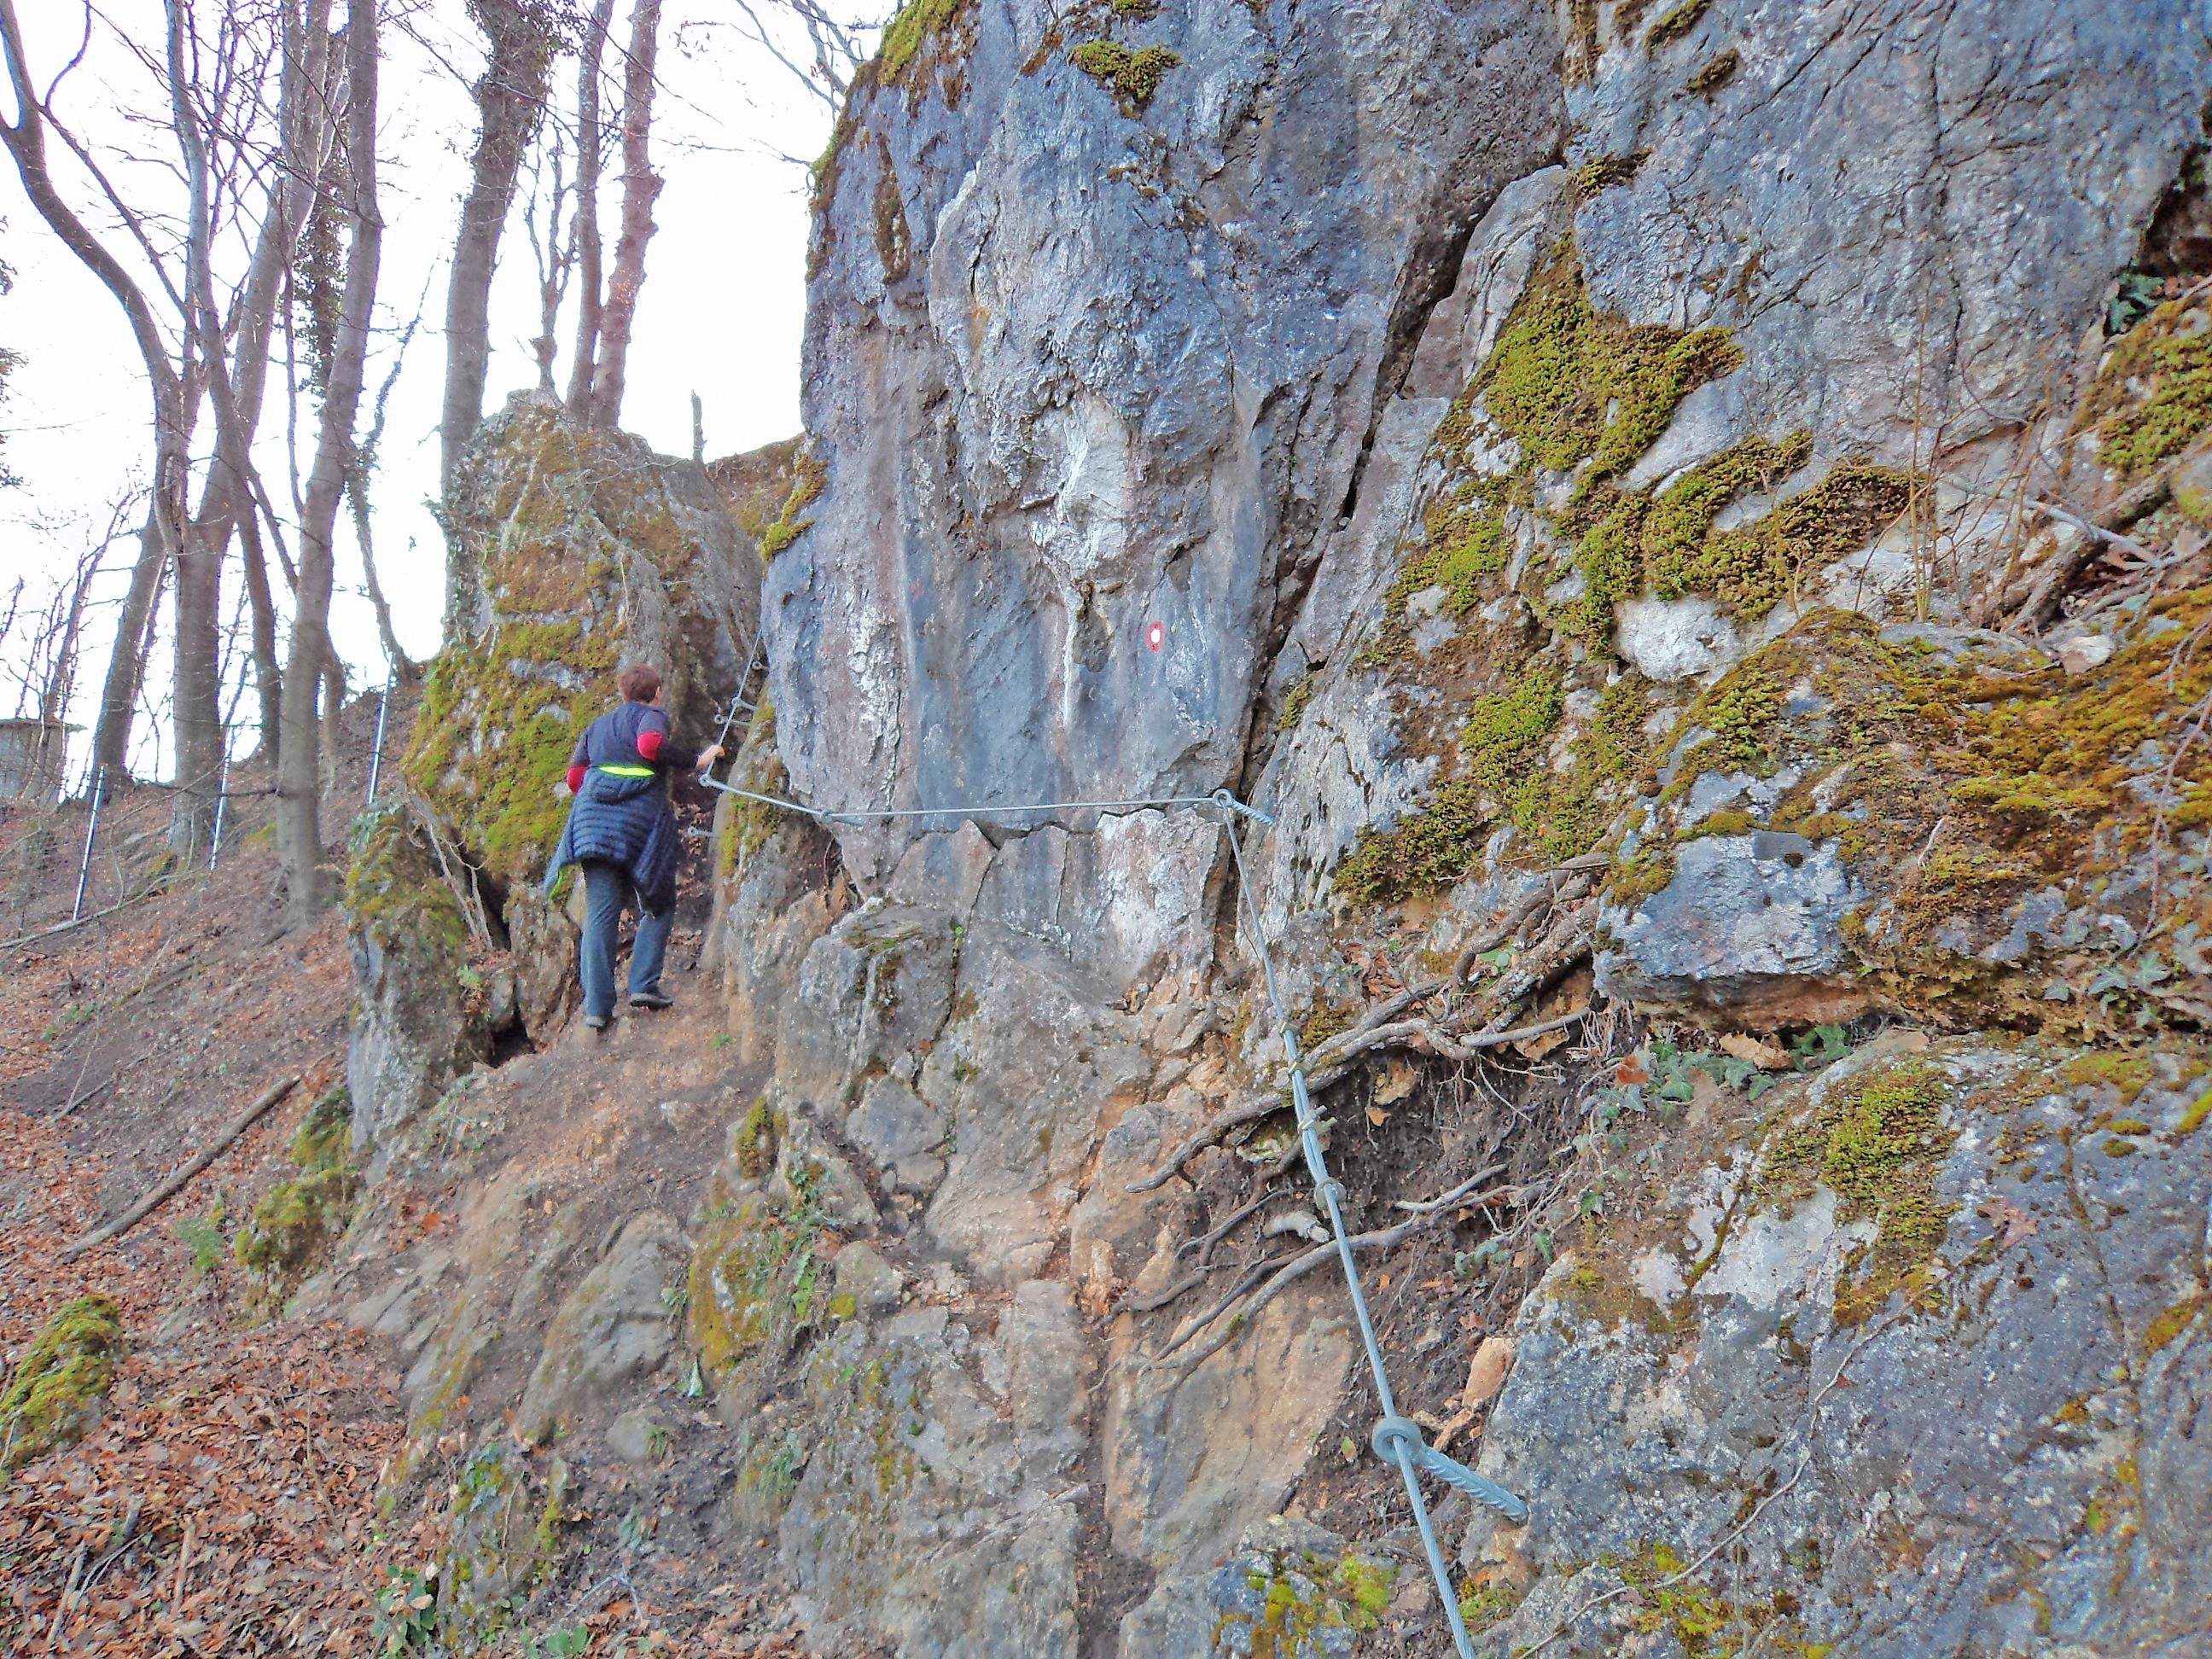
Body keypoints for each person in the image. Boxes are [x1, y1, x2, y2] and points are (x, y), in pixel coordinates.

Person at [543, 662, 724, 1030]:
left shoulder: (596, 727)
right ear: (655, 692)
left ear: (623, 693)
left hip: (592, 828)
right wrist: (696, 759)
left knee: (599, 916)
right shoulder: (651, 716)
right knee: (658, 903)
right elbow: (649, 745)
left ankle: (597, 1008)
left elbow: (576, 777)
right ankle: (642, 985)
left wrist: (604, 799)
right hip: (639, 828)